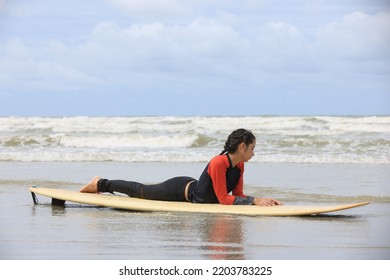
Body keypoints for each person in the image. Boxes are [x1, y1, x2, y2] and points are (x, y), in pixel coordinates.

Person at [80, 128, 283, 207]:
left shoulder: (239, 166)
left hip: (193, 190)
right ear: (242, 147)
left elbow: (237, 194)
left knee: (140, 191)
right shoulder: (218, 162)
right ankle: (101, 183)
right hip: (179, 190)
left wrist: (258, 202)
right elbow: (224, 199)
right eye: (252, 148)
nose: (254, 153)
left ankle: (102, 183)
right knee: (140, 191)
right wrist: (254, 201)